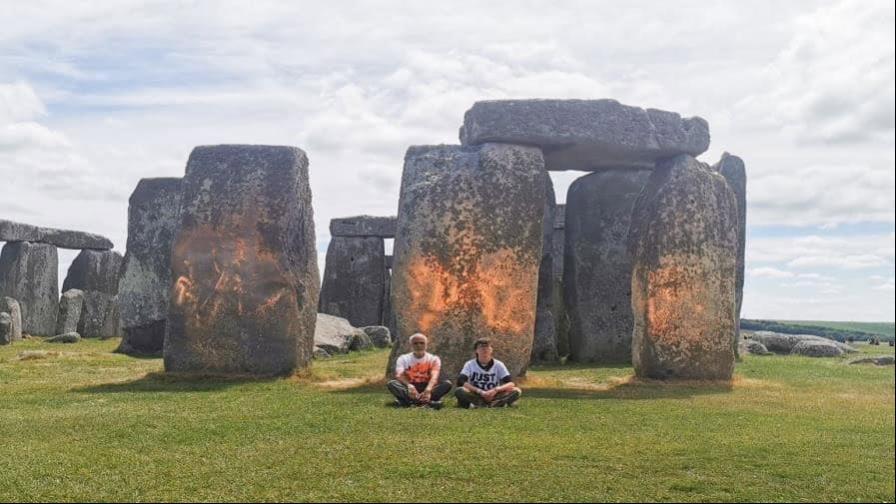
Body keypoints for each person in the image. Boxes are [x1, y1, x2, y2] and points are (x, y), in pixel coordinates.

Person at [387, 333, 452, 409]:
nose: (419, 345)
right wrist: (409, 386)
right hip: (410, 386)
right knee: (392, 384)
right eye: (415, 343)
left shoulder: (434, 359)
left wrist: (428, 390)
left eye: (422, 343)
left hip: (427, 386)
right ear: (411, 345)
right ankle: (427, 402)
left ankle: (409, 401)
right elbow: (399, 375)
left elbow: (434, 377)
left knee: (447, 384)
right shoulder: (403, 358)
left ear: (426, 345)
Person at [454, 338, 522, 408]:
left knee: (516, 391)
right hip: (476, 394)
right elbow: (461, 381)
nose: (485, 349)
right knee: (460, 390)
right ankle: (490, 403)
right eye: (481, 347)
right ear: (476, 351)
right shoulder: (470, 364)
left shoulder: (498, 364)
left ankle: (487, 404)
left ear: (491, 350)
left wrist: (495, 390)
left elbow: (510, 383)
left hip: (494, 394)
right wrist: (480, 392)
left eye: (487, 347)